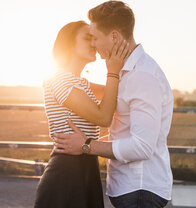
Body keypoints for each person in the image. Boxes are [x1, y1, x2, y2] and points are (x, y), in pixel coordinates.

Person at [53, 1, 174, 208]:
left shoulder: (142, 76)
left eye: (96, 38)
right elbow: (125, 132)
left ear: (115, 37)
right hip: (131, 189)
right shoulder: (125, 73)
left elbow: (142, 147)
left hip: (141, 191)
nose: (95, 45)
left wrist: (86, 145)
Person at [34, 20, 130, 208]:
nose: (94, 43)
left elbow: (117, 92)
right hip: (67, 172)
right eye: (88, 38)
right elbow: (103, 117)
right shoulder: (59, 79)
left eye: (95, 38)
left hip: (85, 166)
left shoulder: (80, 83)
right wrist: (113, 70)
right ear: (69, 44)